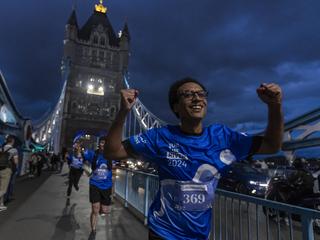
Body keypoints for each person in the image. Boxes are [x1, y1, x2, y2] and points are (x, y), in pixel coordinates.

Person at [104, 77, 283, 240]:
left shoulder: (223, 137)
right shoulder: (160, 137)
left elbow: (272, 145)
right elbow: (112, 152)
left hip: (200, 236)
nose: (196, 98)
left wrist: (274, 106)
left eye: (200, 94)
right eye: (188, 95)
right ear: (175, 107)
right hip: (163, 233)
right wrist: (123, 112)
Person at [85, 136, 113, 239]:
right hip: (95, 184)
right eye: (102, 142)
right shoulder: (94, 154)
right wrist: (78, 150)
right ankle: (93, 231)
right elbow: (81, 155)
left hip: (106, 186)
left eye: (106, 143)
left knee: (105, 210)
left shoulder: (112, 155)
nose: (103, 145)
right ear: (99, 144)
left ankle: (102, 208)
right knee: (95, 209)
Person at [0, 135, 18, 211]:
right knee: (3, 189)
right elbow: (16, 162)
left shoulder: (1, 148)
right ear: (12, 141)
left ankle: (1, 205)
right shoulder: (14, 150)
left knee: (1, 187)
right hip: (6, 170)